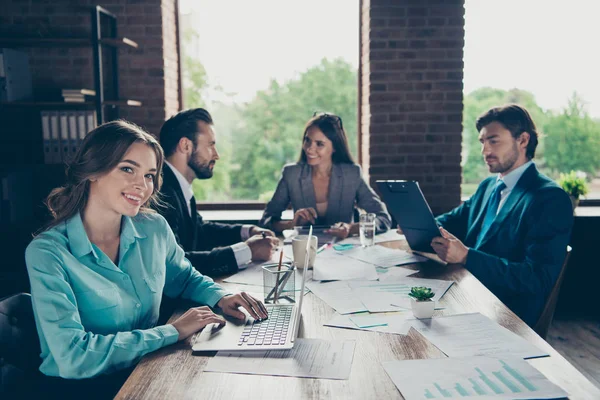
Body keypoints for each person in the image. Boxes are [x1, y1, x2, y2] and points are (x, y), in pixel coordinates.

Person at [25, 120, 268, 398]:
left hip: (147, 371)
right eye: (128, 169)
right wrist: (171, 331)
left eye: (150, 175)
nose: (142, 185)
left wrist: (220, 297)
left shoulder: (153, 228)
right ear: (93, 170)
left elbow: (184, 278)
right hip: (83, 390)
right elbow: (72, 356)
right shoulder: (48, 253)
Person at [429, 104, 573, 327]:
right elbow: (452, 220)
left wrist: (467, 256)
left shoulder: (549, 198)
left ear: (523, 140)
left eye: (493, 140)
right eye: (482, 142)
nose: (485, 151)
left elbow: (536, 279)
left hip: (506, 316)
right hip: (467, 297)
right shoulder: (488, 187)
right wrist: (421, 225)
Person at [157, 108, 278, 277]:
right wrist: (247, 251)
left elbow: (200, 231)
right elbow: (176, 263)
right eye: (211, 145)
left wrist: (247, 231)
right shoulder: (162, 193)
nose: (217, 155)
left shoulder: (177, 185)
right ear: (185, 145)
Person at [260, 112, 392, 239]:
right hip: (304, 253)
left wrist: (350, 228)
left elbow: (383, 218)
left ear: (334, 147)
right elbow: (266, 220)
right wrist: (292, 224)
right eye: (307, 140)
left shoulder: (351, 174)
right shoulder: (291, 174)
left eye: (319, 144)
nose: (309, 148)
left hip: (344, 253)